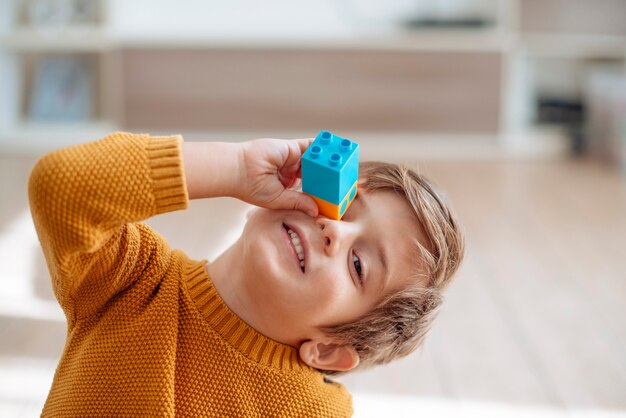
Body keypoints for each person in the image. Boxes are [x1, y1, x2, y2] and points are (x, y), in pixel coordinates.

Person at [28, 132, 464, 417]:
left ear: (330, 352)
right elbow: (60, 184)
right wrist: (233, 167)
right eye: (343, 206)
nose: (334, 229)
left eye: (357, 265)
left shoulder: (314, 411)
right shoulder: (132, 278)